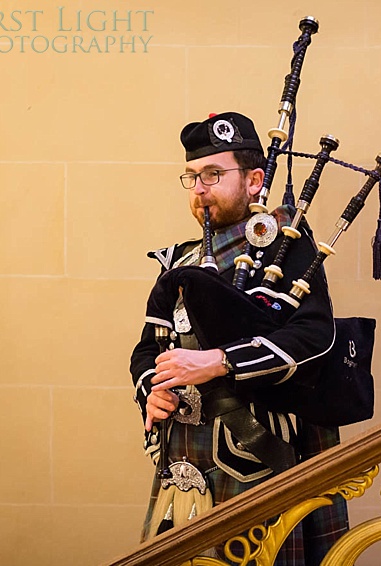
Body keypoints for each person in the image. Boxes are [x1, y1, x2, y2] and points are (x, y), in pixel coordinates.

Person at [130, 111, 348, 564]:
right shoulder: (180, 261)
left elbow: (314, 336)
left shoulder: (284, 243)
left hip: (254, 454)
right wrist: (152, 390)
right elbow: (149, 347)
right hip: (181, 457)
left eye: (213, 173)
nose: (200, 188)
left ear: (254, 181)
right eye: (191, 177)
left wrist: (220, 362)